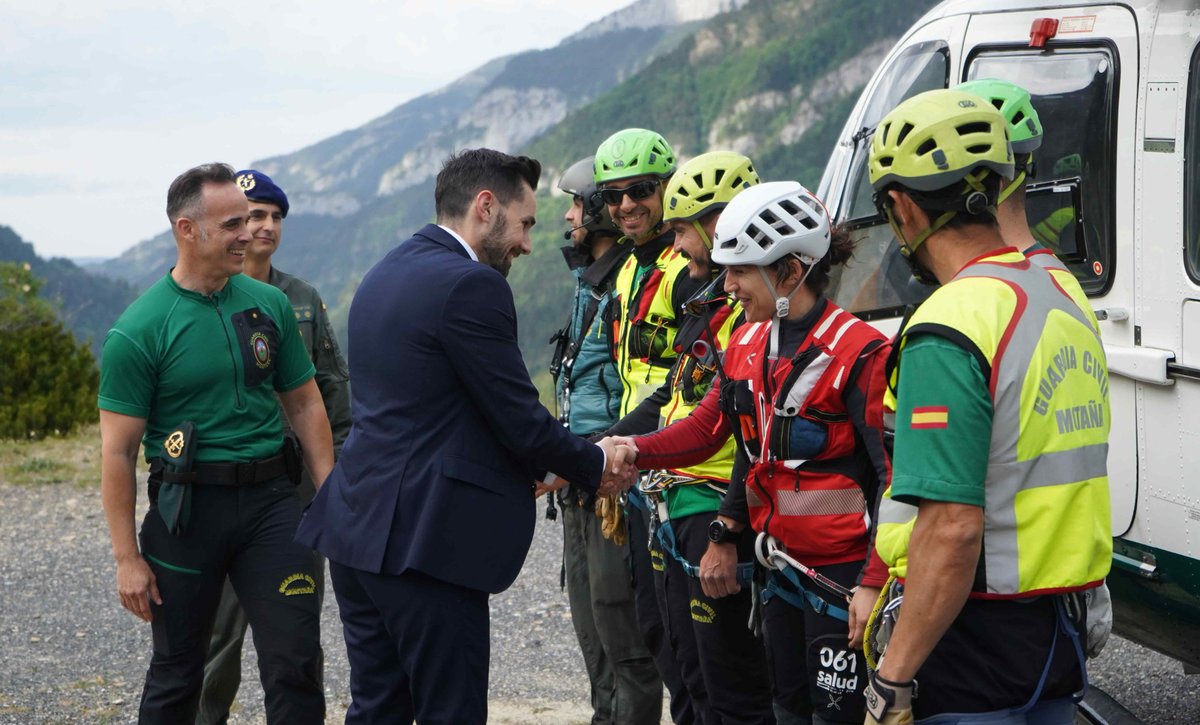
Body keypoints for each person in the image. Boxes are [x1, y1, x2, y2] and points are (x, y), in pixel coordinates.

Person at [293, 148, 637, 724]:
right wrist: (592, 464)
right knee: (449, 711)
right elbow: (517, 417)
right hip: (425, 541)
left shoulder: (385, 271)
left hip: (357, 528)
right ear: (485, 207)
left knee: (377, 707)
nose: (528, 243)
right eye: (524, 223)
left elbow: (437, 408)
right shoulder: (472, 286)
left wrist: (539, 466)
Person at [862, 88, 1111, 723]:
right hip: (1055, 634)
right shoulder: (1058, 290)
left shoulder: (951, 322)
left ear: (901, 208)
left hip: (970, 638)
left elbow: (953, 527)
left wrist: (893, 677)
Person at [612, 180, 894, 724]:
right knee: (784, 708)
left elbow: (892, 478)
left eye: (741, 272)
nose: (729, 286)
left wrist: (874, 581)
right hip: (778, 570)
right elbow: (710, 433)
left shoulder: (861, 352)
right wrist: (627, 450)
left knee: (836, 716)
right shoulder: (743, 343)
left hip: (842, 575)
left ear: (789, 271)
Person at [98, 162, 333, 724]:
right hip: (187, 514)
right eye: (232, 224)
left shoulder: (269, 304)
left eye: (248, 221)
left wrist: (331, 497)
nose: (248, 234)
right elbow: (117, 453)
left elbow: (304, 402)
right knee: (179, 671)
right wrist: (127, 559)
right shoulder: (139, 329)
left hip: (273, 504)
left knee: (295, 664)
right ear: (188, 230)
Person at [602, 150, 775, 723]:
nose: (675, 248)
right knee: (681, 668)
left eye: (681, 230)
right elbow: (673, 399)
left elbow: (730, 430)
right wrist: (603, 449)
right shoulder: (710, 308)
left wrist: (726, 527)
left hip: (712, 504)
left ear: (719, 225)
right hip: (671, 500)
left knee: (724, 688)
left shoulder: (749, 320)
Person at [197, 169, 352, 725]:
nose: (263, 226)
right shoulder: (208, 296)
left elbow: (333, 394)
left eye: (274, 217)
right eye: (253, 215)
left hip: (296, 496)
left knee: (294, 639)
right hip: (223, 489)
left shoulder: (302, 300)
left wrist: (334, 485)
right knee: (214, 639)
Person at [593, 127, 706, 724]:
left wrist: (610, 445)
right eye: (613, 196)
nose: (626, 205)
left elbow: (676, 382)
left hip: (674, 458)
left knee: (688, 637)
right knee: (654, 625)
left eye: (640, 190)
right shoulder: (627, 271)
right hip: (640, 461)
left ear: (666, 188)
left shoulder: (684, 265)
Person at [546, 156, 663, 725]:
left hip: (609, 476)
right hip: (580, 475)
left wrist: (591, 456)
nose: (568, 216)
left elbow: (637, 387)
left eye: (574, 203)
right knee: (589, 622)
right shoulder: (590, 282)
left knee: (622, 628)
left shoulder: (632, 283)